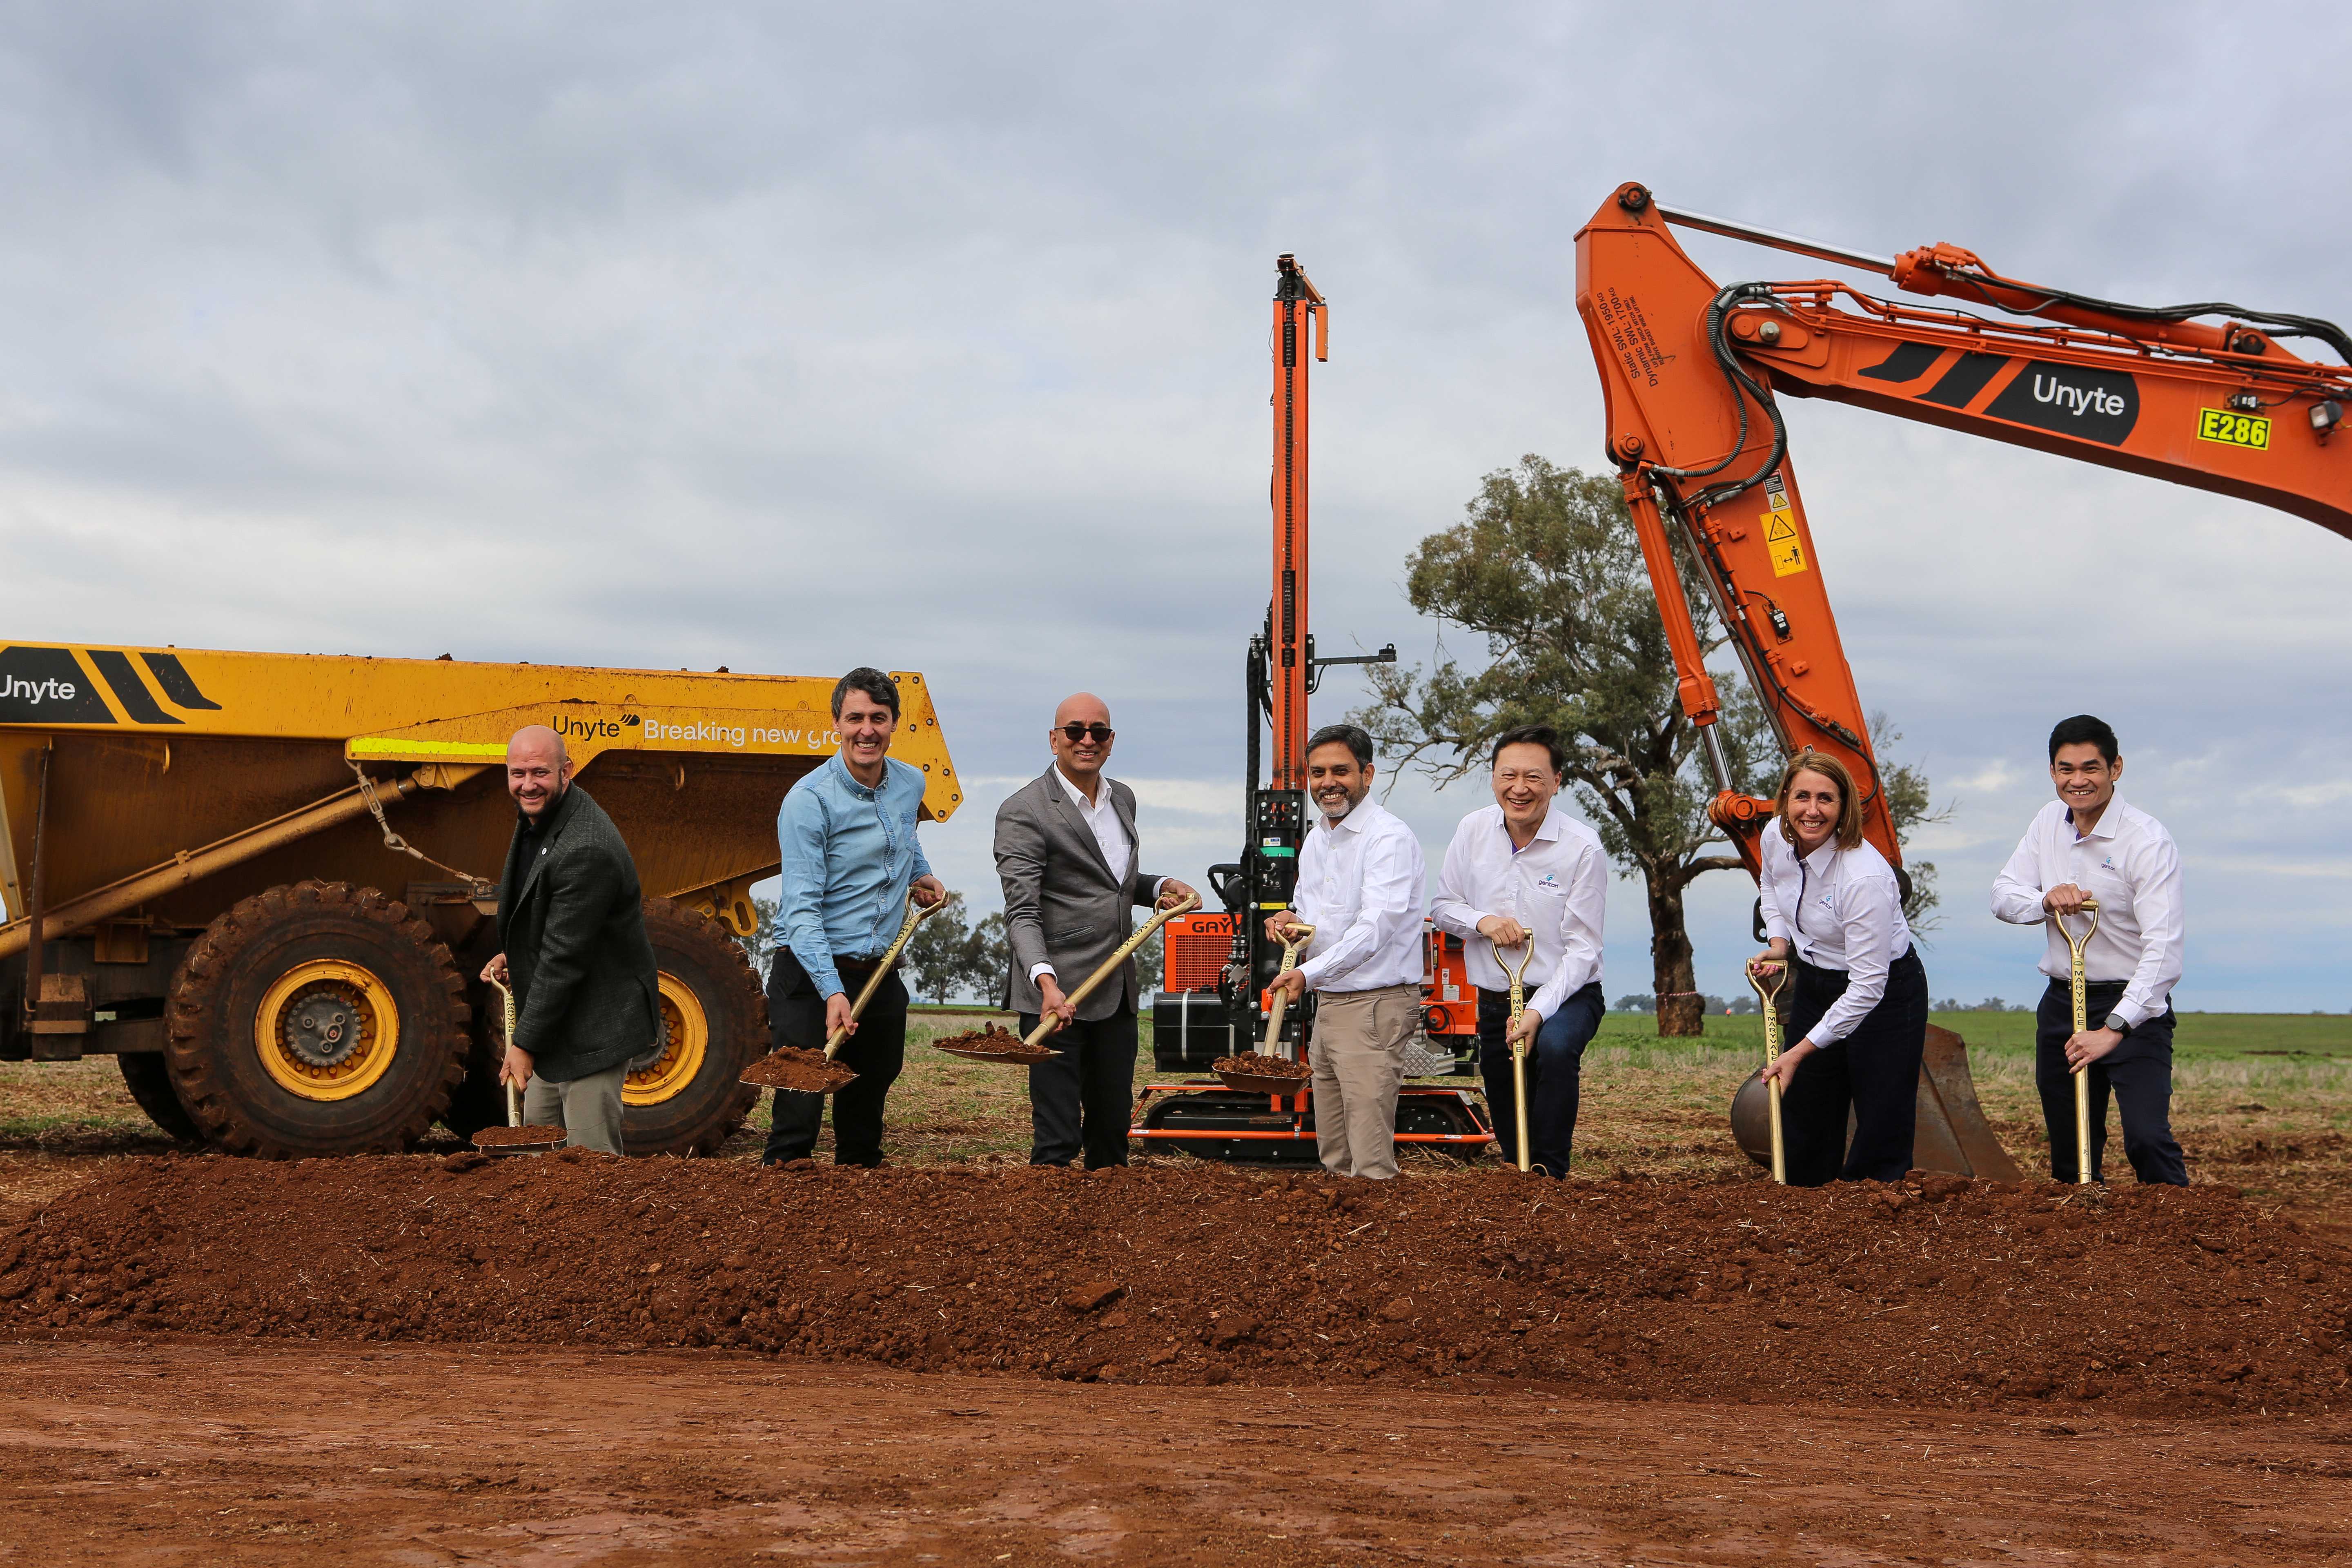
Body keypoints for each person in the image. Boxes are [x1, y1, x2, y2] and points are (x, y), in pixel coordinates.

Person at [994, 693, 1197, 1169]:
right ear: (1054, 739)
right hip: (1057, 994)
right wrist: (1046, 983)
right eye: (1075, 731)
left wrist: (1163, 886)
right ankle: (1050, 1233)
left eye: (1099, 732)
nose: (1087, 740)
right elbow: (1022, 911)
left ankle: (1106, 1238)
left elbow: (1114, 883)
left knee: (1111, 1133)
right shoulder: (1023, 810)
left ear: (1111, 742)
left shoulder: (1121, 797)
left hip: (1116, 990)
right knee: (1058, 1137)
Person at [1991, 715, 2187, 1185]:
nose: (2078, 781)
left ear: (2115, 769)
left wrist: (2115, 1027)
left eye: (2091, 768)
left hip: (2133, 1006)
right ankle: (2084, 1248)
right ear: (2053, 772)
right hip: (2063, 1001)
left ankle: (2182, 1240)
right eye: (2065, 769)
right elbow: (2002, 894)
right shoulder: (2046, 822)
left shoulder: (2147, 841)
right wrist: (2043, 900)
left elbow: (2164, 949)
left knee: (2146, 1137)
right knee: (2071, 1145)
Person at [763, 667, 947, 1167]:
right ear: (837, 724)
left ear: (894, 724)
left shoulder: (910, 782)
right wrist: (832, 991)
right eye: (856, 718)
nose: (867, 730)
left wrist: (922, 875)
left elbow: (907, 840)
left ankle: (857, 1232)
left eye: (879, 719)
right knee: (798, 1118)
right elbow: (801, 912)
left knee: (866, 1118)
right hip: (808, 974)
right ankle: (776, 1229)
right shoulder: (809, 801)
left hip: (880, 970)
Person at [1429, 725, 1607, 1177]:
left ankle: (1549, 1173)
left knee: (1554, 1049)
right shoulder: (1472, 830)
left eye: (1534, 777)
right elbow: (1444, 906)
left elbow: (1583, 949)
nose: (1520, 788)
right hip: (1494, 994)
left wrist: (1539, 1010)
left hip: (1565, 993)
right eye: (1509, 775)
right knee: (1505, 1091)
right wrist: (1482, 922)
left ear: (1557, 782)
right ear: (1493, 778)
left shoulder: (1582, 846)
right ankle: (1516, 1171)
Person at [1749, 750, 1929, 1186]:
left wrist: (1797, 1052)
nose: (1812, 810)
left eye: (1826, 799)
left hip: (1885, 995)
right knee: (1806, 1111)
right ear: (1786, 800)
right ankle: (1807, 1217)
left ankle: (1874, 1226)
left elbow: (1868, 987)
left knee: (1881, 1118)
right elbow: (1769, 883)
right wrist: (1779, 942)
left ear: (1845, 807)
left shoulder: (1864, 877)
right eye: (1802, 797)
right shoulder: (1775, 835)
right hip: (1815, 980)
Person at [480, 724, 661, 1156]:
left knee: (588, 1163)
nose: (528, 785)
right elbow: (551, 913)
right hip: (559, 1022)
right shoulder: (539, 818)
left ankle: (606, 1224)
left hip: (597, 1025)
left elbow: (564, 958)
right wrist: (517, 952)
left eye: (540, 773)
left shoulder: (586, 849)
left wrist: (522, 1046)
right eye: (517, 774)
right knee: (538, 1147)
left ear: (567, 772)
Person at [1266, 725, 1427, 1180]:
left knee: (1369, 1155)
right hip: (1332, 1002)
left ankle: (1380, 1245)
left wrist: (1307, 974)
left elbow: (1375, 926)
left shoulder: (1387, 839)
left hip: (1376, 1003)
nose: (1327, 782)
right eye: (1317, 773)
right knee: (1335, 1148)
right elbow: (1311, 911)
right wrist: (1286, 919)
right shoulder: (1318, 840)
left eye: (1341, 771)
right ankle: (1342, 1245)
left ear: (1368, 774)